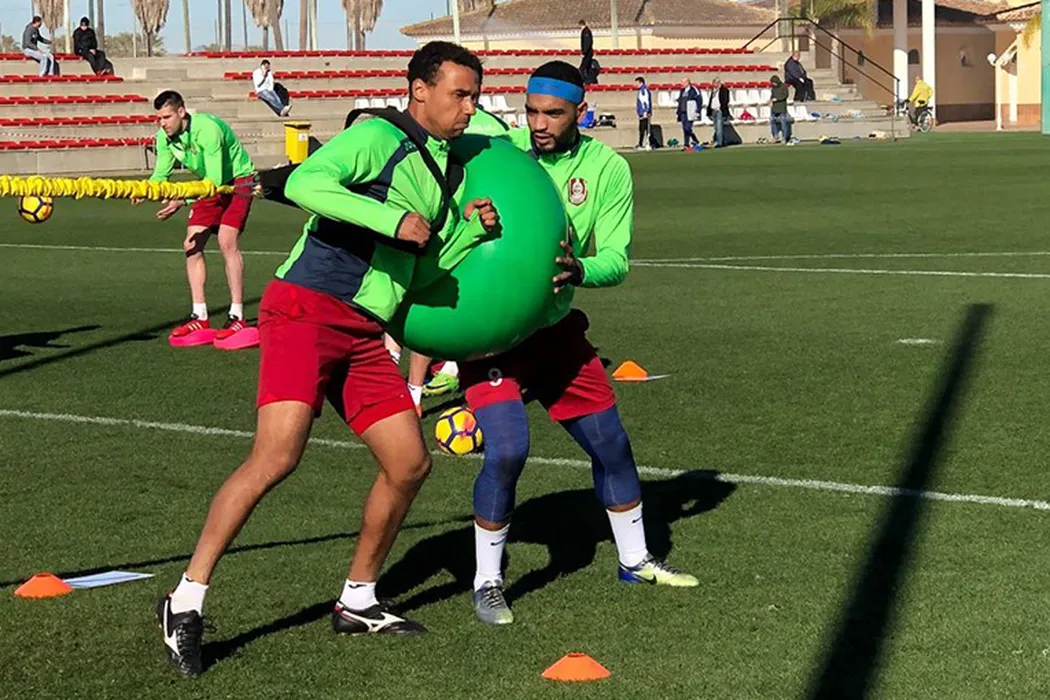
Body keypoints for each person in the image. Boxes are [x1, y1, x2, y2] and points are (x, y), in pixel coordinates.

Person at [154, 41, 499, 678]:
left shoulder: (443, 173)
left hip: (364, 330)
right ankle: (185, 599)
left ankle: (358, 599)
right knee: (276, 456)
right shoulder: (378, 137)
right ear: (420, 91)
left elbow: (419, 274)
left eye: (475, 96)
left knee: (410, 463)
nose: (470, 108)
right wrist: (390, 219)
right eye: (460, 94)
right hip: (305, 309)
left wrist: (468, 233)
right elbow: (305, 182)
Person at [461, 60, 698, 627]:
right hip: (494, 336)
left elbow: (616, 259)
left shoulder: (607, 169)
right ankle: (487, 581)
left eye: (553, 113)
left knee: (611, 445)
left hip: (557, 333)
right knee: (508, 450)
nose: (538, 124)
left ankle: (635, 560)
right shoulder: (500, 154)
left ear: (581, 112)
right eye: (531, 111)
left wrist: (581, 270)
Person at [141, 91, 258, 348]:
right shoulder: (164, 138)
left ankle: (237, 315)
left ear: (181, 112)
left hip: (237, 180)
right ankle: (200, 315)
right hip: (206, 185)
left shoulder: (207, 129)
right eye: (159, 118)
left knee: (227, 241)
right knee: (191, 244)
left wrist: (182, 200)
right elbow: (160, 176)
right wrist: (144, 191)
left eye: (167, 117)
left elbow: (214, 181)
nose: (162, 123)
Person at [676, 78, 702, 149]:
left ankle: (695, 139)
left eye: (683, 82)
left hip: (690, 112)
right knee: (684, 128)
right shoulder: (682, 90)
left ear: (687, 83)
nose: (682, 84)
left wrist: (698, 111)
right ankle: (686, 144)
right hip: (683, 112)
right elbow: (681, 100)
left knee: (687, 128)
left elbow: (699, 100)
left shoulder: (694, 90)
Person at [769, 75, 792, 144]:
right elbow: (772, 95)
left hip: (782, 108)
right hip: (774, 108)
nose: (773, 84)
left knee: (783, 123)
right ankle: (775, 136)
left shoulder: (784, 87)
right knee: (773, 123)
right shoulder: (773, 88)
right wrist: (771, 100)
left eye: (774, 82)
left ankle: (784, 137)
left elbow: (785, 95)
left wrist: (777, 99)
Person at [635, 76, 654, 151]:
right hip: (643, 113)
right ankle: (647, 143)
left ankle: (642, 144)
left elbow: (645, 102)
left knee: (643, 129)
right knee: (644, 129)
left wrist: (645, 112)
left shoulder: (643, 91)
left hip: (644, 113)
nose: (636, 85)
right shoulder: (641, 90)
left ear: (641, 82)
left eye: (637, 83)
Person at [710, 77, 730, 147]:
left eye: (717, 82)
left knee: (719, 127)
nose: (716, 84)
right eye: (715, 83)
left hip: (719, 111)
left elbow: (726, 100)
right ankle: (723, 141)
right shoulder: (713, 91)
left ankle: (719, 143)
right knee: (716, 128)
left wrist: (722, 108)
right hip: (713, 110)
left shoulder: (724, 90)